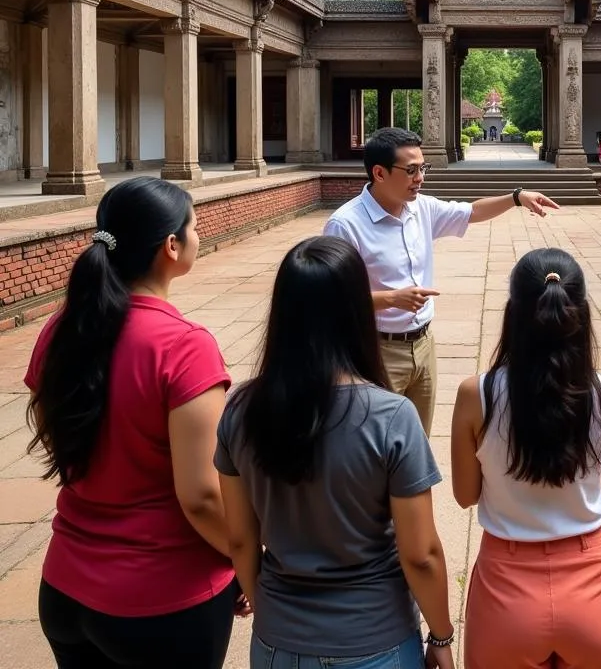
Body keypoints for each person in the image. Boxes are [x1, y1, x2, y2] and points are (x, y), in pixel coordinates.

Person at [25, 177, 240, 669]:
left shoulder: (62, 328)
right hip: (162, 596)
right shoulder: (183, 345)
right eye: (194, 227)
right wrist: (247, 560)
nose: (197, 236)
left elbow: (56, 433)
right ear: (171, 246)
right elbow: (202, 497)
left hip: (65, 586)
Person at [215, 236, 455, 669]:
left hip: (277, 643)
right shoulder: (391, 417)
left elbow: (240, 538)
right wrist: (441, 635)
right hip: (374, 640)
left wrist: (267, 608)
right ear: (357, 313)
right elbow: (420, 554)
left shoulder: (241, 408)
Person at [451, 248, 601, 669]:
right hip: (592, 588)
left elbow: (465, 494)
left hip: (506, 591)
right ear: (579, 314)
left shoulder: (475, 395)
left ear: (513, 313)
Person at [324, 126, 559, 435]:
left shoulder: (421, 208)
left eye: (423, 168)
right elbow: (329, 300)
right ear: (379, 173)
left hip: (422, 344)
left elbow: (471, 212)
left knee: (417, 438)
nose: (420, 177)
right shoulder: (345, 225)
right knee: (375, 441)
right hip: (374, 349)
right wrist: (391, 299)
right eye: (411, 170)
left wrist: (516, 198)